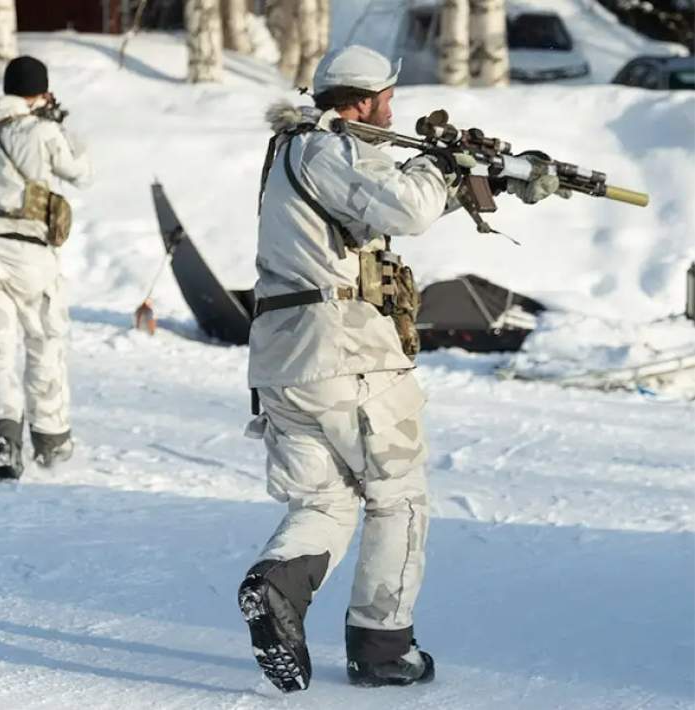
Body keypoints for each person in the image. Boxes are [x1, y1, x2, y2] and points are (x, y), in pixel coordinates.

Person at [237, 45, 559, 692]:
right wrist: (439, 166)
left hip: (286, 362)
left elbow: (378, 207)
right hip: (345, 355)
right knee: (398, 498)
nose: (393, 108)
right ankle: (383, 648)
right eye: (386, 97)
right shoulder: (323, 149)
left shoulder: (303, 153)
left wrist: (483, 180)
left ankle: (275, 588)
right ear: (360, 99)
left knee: (324, 499)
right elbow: (404, 207)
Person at [0, 55, 91, 480]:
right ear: (41, 93)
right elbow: (82, 172)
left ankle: (2, 436)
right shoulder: (42, 131)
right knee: (44, 342)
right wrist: (58, 123)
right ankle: (51, 439)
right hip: (33, 253)